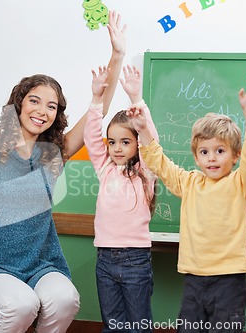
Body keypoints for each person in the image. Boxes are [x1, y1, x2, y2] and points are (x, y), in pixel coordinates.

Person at [0, 10, 128, 333]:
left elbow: (98, 110)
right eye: (35, 101)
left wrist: (117, 54)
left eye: (52, 106)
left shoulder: (53, 154)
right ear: (19, 104)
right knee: (22, 303)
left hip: (43, 265)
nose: (42, 111)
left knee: (66, 299)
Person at [128, 76, 246, 333]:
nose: (212, 158)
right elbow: (160, 163)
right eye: (204, 152)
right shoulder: (190, 183)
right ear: (196, 157)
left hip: (229, 280)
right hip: (194, 278)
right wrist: (143, 129)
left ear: (235, 156)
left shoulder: (241, 183)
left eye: (220, 151)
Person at [83, 65, 158, 332]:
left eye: (125, 142)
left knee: (138, 326)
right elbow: (91, 139)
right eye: (112, 142)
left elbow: (152, 141)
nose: (116, 148)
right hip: (105, 259)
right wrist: (95, 100)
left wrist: (136, 100)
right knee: (113, 325)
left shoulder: (145, 172)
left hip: (136, 260)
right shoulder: (105, 170)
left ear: (137, 143)